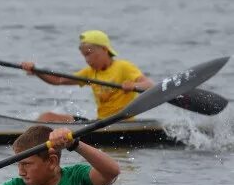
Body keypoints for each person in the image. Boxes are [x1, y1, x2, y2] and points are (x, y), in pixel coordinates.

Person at [21, 30, 154, 122]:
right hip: (100, 122)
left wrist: (134, 85)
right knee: (47, 117)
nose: (87, 60)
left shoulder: (123, 67)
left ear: (104, 50)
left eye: (89, 54)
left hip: (122, 122)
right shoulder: (89, 72)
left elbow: (150, 85)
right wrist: (36, 71)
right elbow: (58, 80)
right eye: (84, 55)